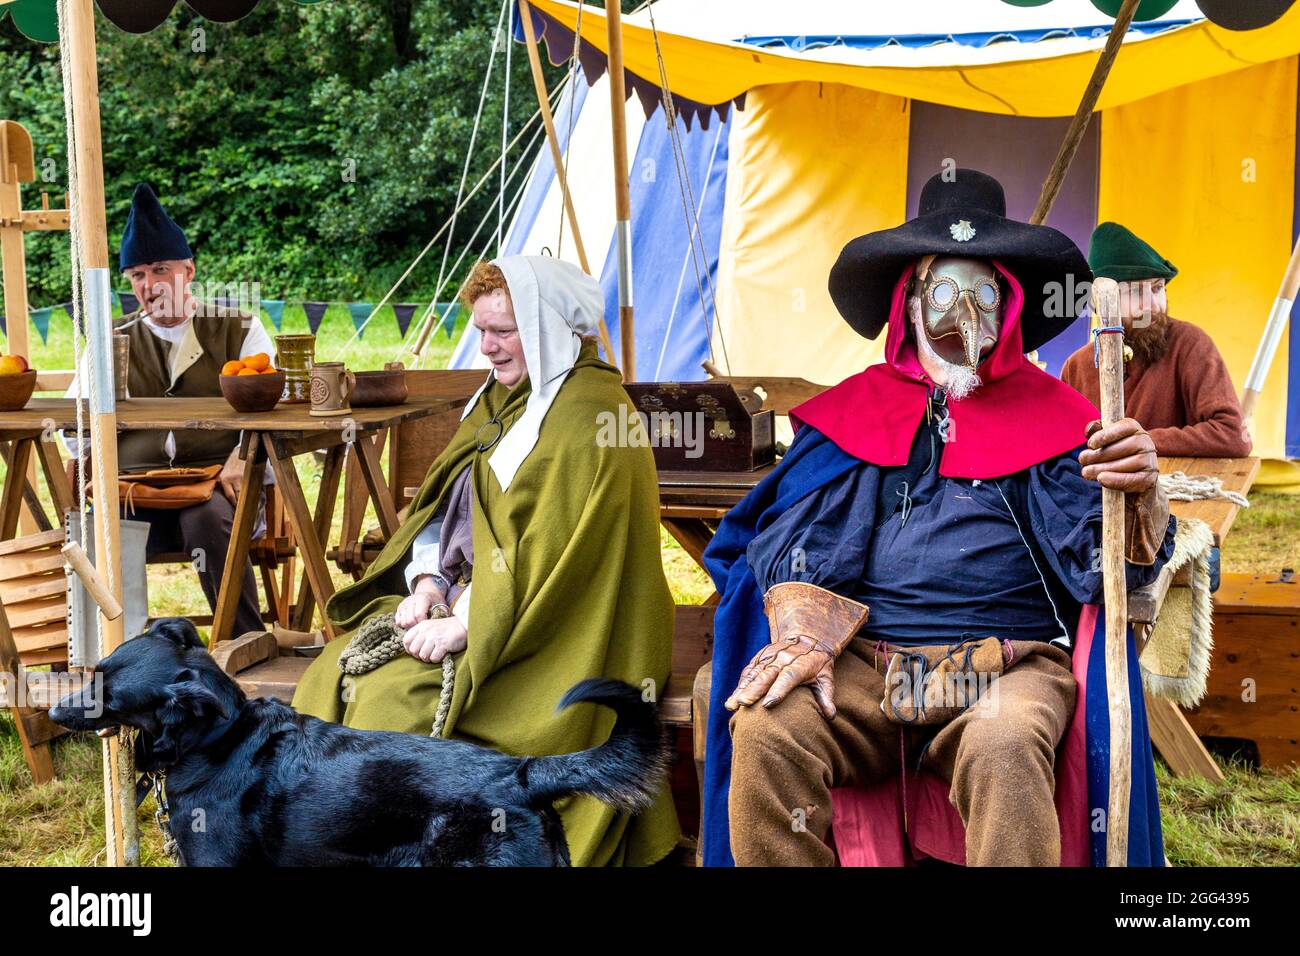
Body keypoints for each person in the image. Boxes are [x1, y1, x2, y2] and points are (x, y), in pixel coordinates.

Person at [700, 169, 1176, 867]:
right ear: (911, 302)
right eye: (944, 292)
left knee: (1005, 743)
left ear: (1008, 305)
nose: (964, 316)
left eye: (984, 293)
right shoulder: (853, 414)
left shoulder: (1062, 421)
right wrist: (804, 628)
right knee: (768, 728)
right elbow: (780, 541)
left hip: (1006, 663)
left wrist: (1141, 493)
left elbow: (1113, 561)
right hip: (865, 664)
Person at [293, 256, 681, 867]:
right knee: (342, 665)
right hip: (479, 604)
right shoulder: (505, 401)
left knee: (391, 700)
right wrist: (428, 583)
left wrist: (467, 622)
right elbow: (451, 511)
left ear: (549, 326)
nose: (488, 347)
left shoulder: (591, 418)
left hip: (552, 640)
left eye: (503, 330)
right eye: (480, 330)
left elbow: (562, 566)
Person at [65, 183, 273, 637]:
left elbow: (272, 417)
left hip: (216, 488)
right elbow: (72, 427)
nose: (149, 284)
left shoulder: (238, 329)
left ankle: (245, 642)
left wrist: (242, 457)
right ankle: (114, 654)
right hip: (135, 493)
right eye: (137, 275)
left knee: (207, 521)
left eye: (160, 269)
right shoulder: (109, 339)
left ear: (189, 270)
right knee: (100, 528)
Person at [1061, 222, 1252, 458]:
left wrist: (1138, 442)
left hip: (1179, 490)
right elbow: (1063, 445)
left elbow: (1232, 435)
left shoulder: (1190, 345)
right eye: (1135, 292)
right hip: (1096, 492)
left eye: (1157, 288)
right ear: (1100, 301)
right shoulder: (1077, 366)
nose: (1152, 306)